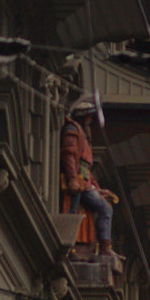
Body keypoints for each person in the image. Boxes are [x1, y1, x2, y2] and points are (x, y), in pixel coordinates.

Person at [60, 101, 117, 257]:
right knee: (102, 209)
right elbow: (69, 155)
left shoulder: (81, 133)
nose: (90, 121)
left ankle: (82, 246)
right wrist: (72, 178)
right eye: (88, 118)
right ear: (83, 117)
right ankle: (100, 247)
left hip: (84, 182)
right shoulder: (73, 130)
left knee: (75, 212)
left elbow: (87, 170)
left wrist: (98, 188)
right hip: (78, 181)